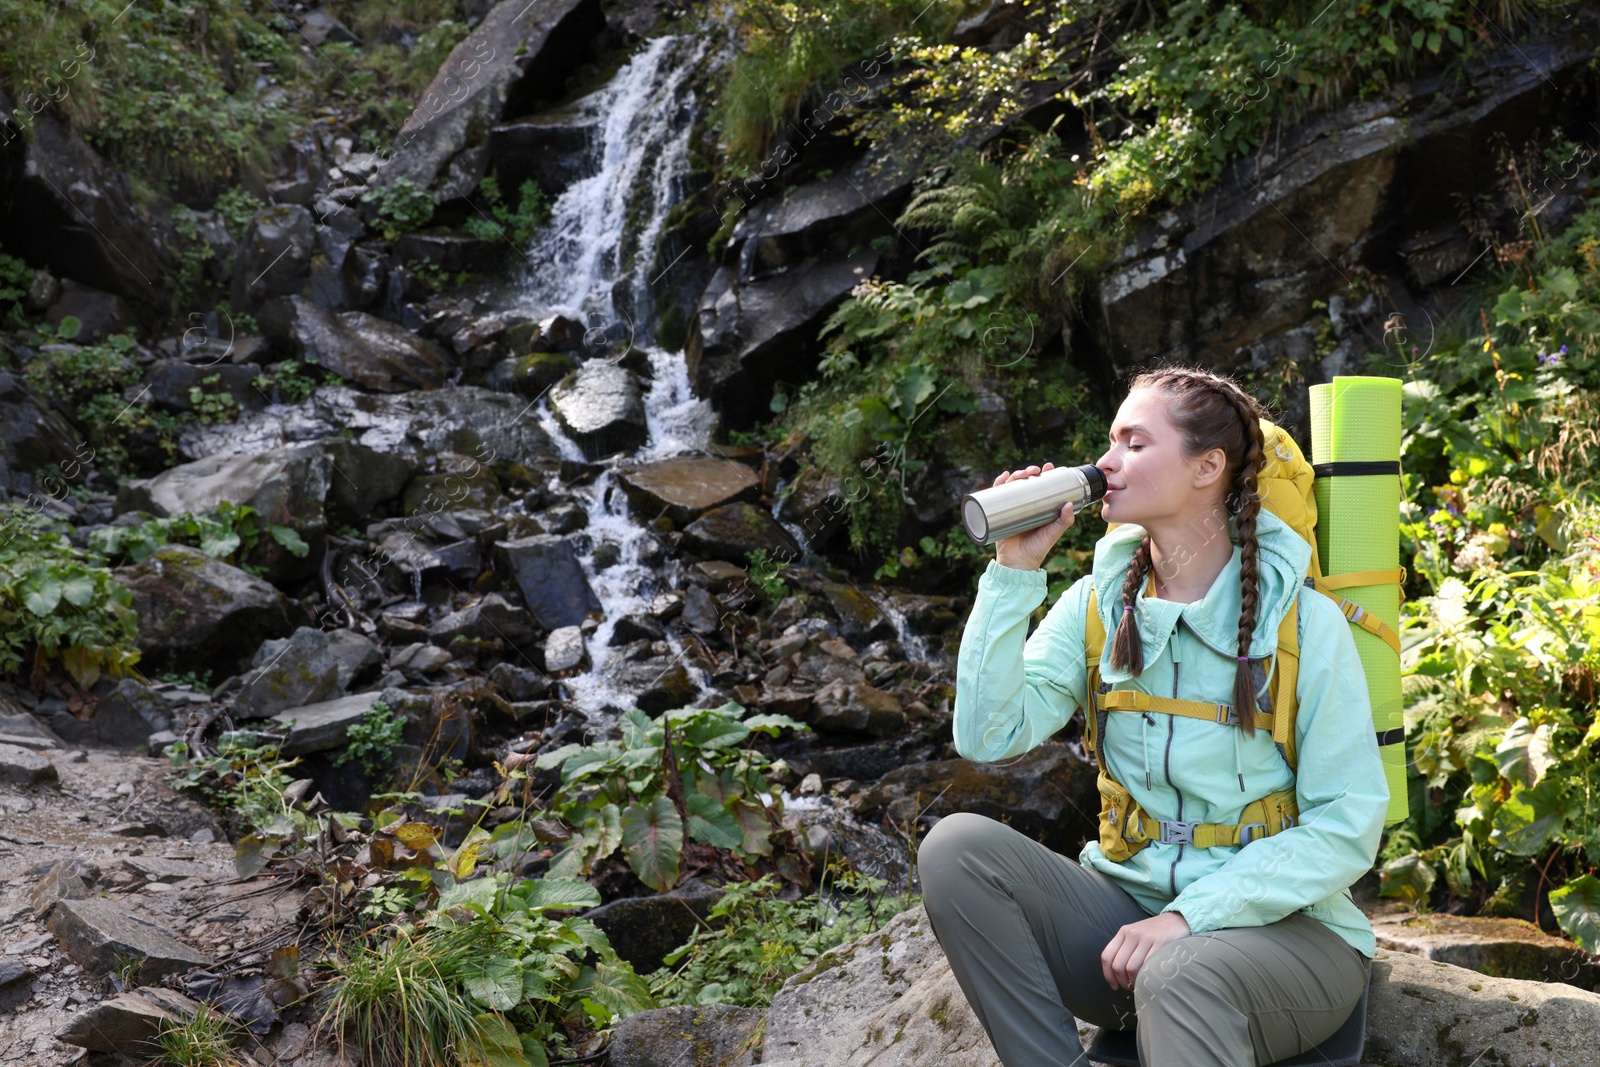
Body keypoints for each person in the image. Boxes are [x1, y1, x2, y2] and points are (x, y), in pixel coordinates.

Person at [917, 366, 1388, 1067]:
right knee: (956, 850)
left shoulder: (1303, 626)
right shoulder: (1097, 606)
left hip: (1289, 938)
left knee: (1180, 968)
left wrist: (1190, 916)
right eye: (1111, 441)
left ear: (1208, 467)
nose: (1106, 462)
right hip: (1126, 930)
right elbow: (986, 734)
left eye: (1133, 443)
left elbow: (1346, 827)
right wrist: (1014, 568)